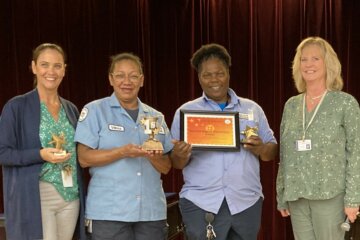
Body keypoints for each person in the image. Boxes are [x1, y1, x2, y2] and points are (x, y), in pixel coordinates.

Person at [170, 43, 278, 240]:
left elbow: (271, 151)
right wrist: (179, 155)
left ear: (228, 73)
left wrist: (262, 147)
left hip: (246, 201)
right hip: (200, 202)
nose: (214, 80)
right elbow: (176, 164)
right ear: (199, 78)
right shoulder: (185, 112)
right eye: (207, 75)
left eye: (219, 73)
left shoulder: (252, 109)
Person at [74, 52, 174, 240]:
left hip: (150, 213)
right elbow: (84, 158)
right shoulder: (95, 110)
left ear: (142, 80)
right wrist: (122, 152)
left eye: (133, 76)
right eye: (120, 75)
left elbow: (167, 166)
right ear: (111, 79)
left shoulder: (156, 116)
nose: (126, 81)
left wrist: (151, 155)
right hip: (109, 214)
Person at [276, 36, 360, 240]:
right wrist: (282, 193)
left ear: (327, 63)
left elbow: (356, 153)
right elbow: (285, 154)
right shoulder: (291, 105)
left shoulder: (345, 103)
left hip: (330, 196)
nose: (308, 64)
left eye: (315, 58)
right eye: (303, 59)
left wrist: (353, 199)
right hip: (297, 196)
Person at [0, 43, 86, 240]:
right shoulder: (16, 107)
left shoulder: (71, 109)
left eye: (57, 65)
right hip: (37, 195)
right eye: (44, 64)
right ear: (34, 67)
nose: (51, 71)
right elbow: (3, 152)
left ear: (64, 69)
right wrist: (40, 154)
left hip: (70, 195)